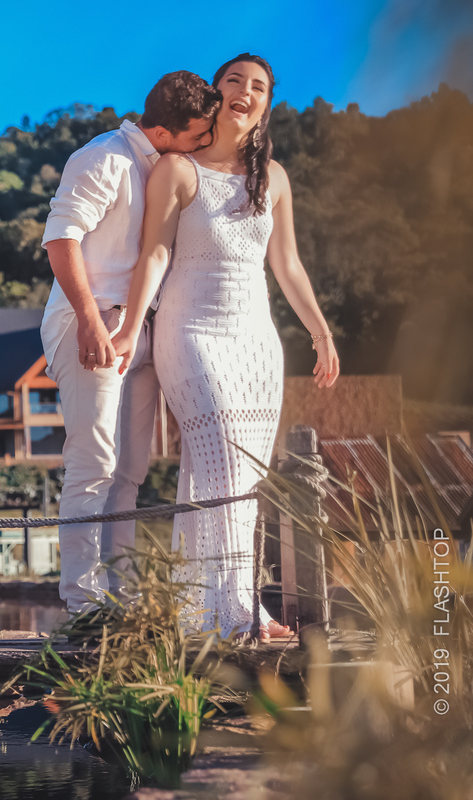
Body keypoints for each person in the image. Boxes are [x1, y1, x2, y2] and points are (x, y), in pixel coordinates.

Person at [111, 53, 340, 640]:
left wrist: (320, 330)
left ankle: (224, 612)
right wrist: (130, 325)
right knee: (219, 465)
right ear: (216, 96)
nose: (245, 90)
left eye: (258, 86)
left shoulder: (276, 177)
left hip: (256, 342)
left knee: (247, 478)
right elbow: (155, 255)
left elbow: (286, 264)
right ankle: (227, 617)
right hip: (192, 336)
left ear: (266, 104)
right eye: (233, 80)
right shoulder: (178, 170)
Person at [41, 72, 220, 614]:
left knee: (130, 471)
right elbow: (60, 239)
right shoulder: (104, 157)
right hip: (92, 324)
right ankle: (81, 604)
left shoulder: (169, 167)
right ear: (166, 132)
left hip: (144, 330)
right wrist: (92, 321)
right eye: (199, 134)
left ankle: (120, 599)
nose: (205, 141)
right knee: (92, 460)